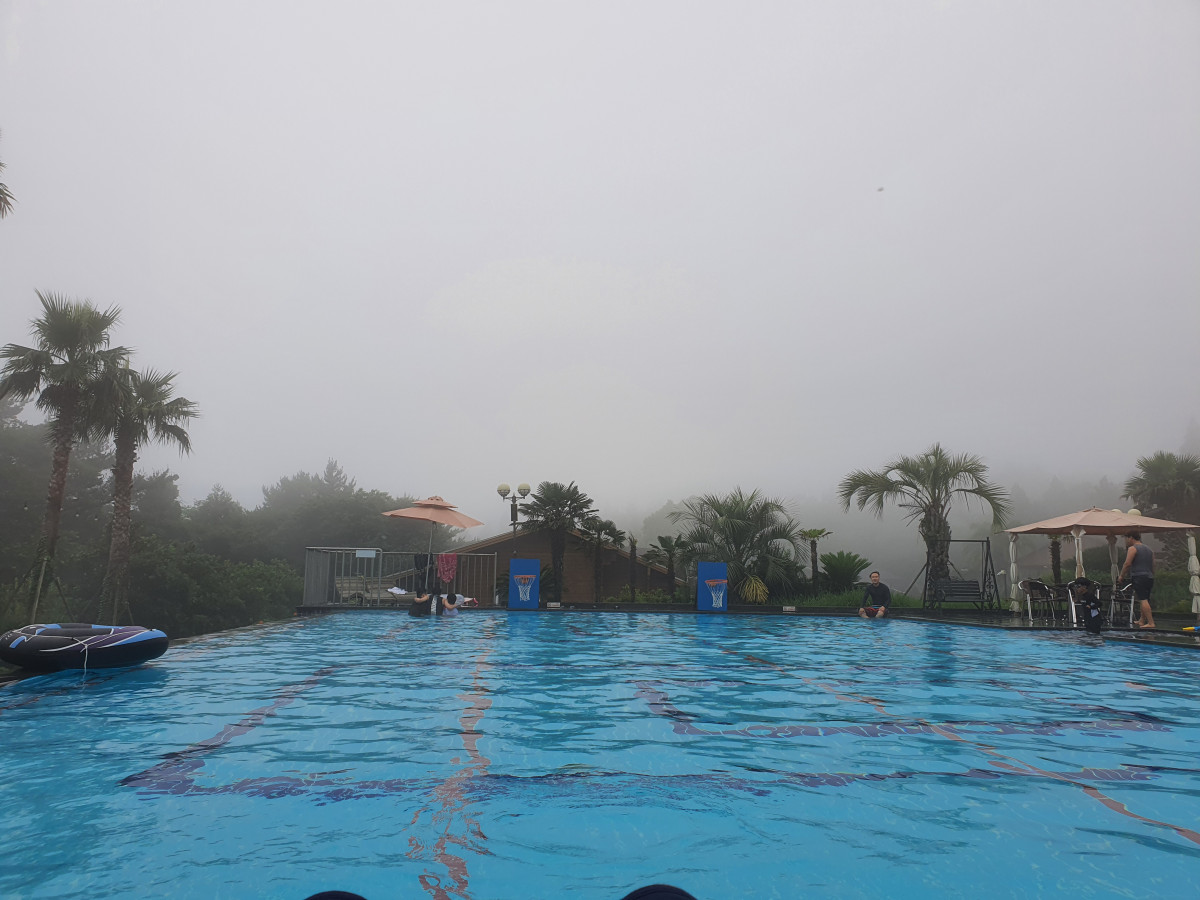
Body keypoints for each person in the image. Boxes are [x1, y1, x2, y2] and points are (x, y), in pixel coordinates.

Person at [1118, 531, 1156, 629]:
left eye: (1126, 539)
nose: (1125, 541)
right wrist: (1152, 574)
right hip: (1149, 576)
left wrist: (1121, 576)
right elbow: (1153, 564)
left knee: (1143, 599)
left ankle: (1151, 622)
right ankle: (1142, 620)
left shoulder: (1133, 548)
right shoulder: (1149, 550)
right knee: (1145, 599)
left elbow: (1127, 564)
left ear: (1131, 538)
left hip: (1139, 576)